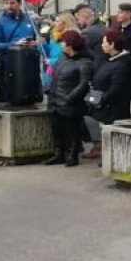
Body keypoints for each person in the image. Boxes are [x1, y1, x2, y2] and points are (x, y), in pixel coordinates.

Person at [43, 31, 93, 167]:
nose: (61, 44)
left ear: (70, 45)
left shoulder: (85, 62)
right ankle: (59, 153)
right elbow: (53, 73)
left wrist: (70, 98)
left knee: (72, 130)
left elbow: (83, 84)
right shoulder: (62, 58)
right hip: (55, 99)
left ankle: (72, 154)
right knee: (57, 130)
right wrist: (48, 88)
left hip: (69, 102)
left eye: (63, 42)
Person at [83, 29, 131, 158]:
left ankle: (113, 156)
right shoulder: (109, 60)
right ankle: (103, 151)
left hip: (112, 107)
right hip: (102, 102)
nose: (102, 45)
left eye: (104, 42)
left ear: (112, 44)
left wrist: (103, 99)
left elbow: (117, 87)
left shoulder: (122, 64)